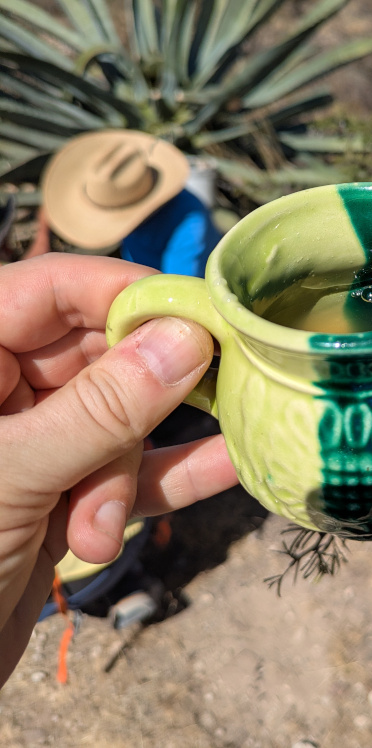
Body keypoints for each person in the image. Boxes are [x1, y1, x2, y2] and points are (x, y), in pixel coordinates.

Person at [0, 253, 239, 689]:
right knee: (114, 528)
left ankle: (123, 590)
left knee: (109, 525)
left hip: (53, 580)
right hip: (78, 559)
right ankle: (128, 586)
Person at [26, 129, 222, 275]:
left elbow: (176, 296)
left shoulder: (189, 228)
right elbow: (51, 206)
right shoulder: (128, 191)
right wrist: (43, 236)